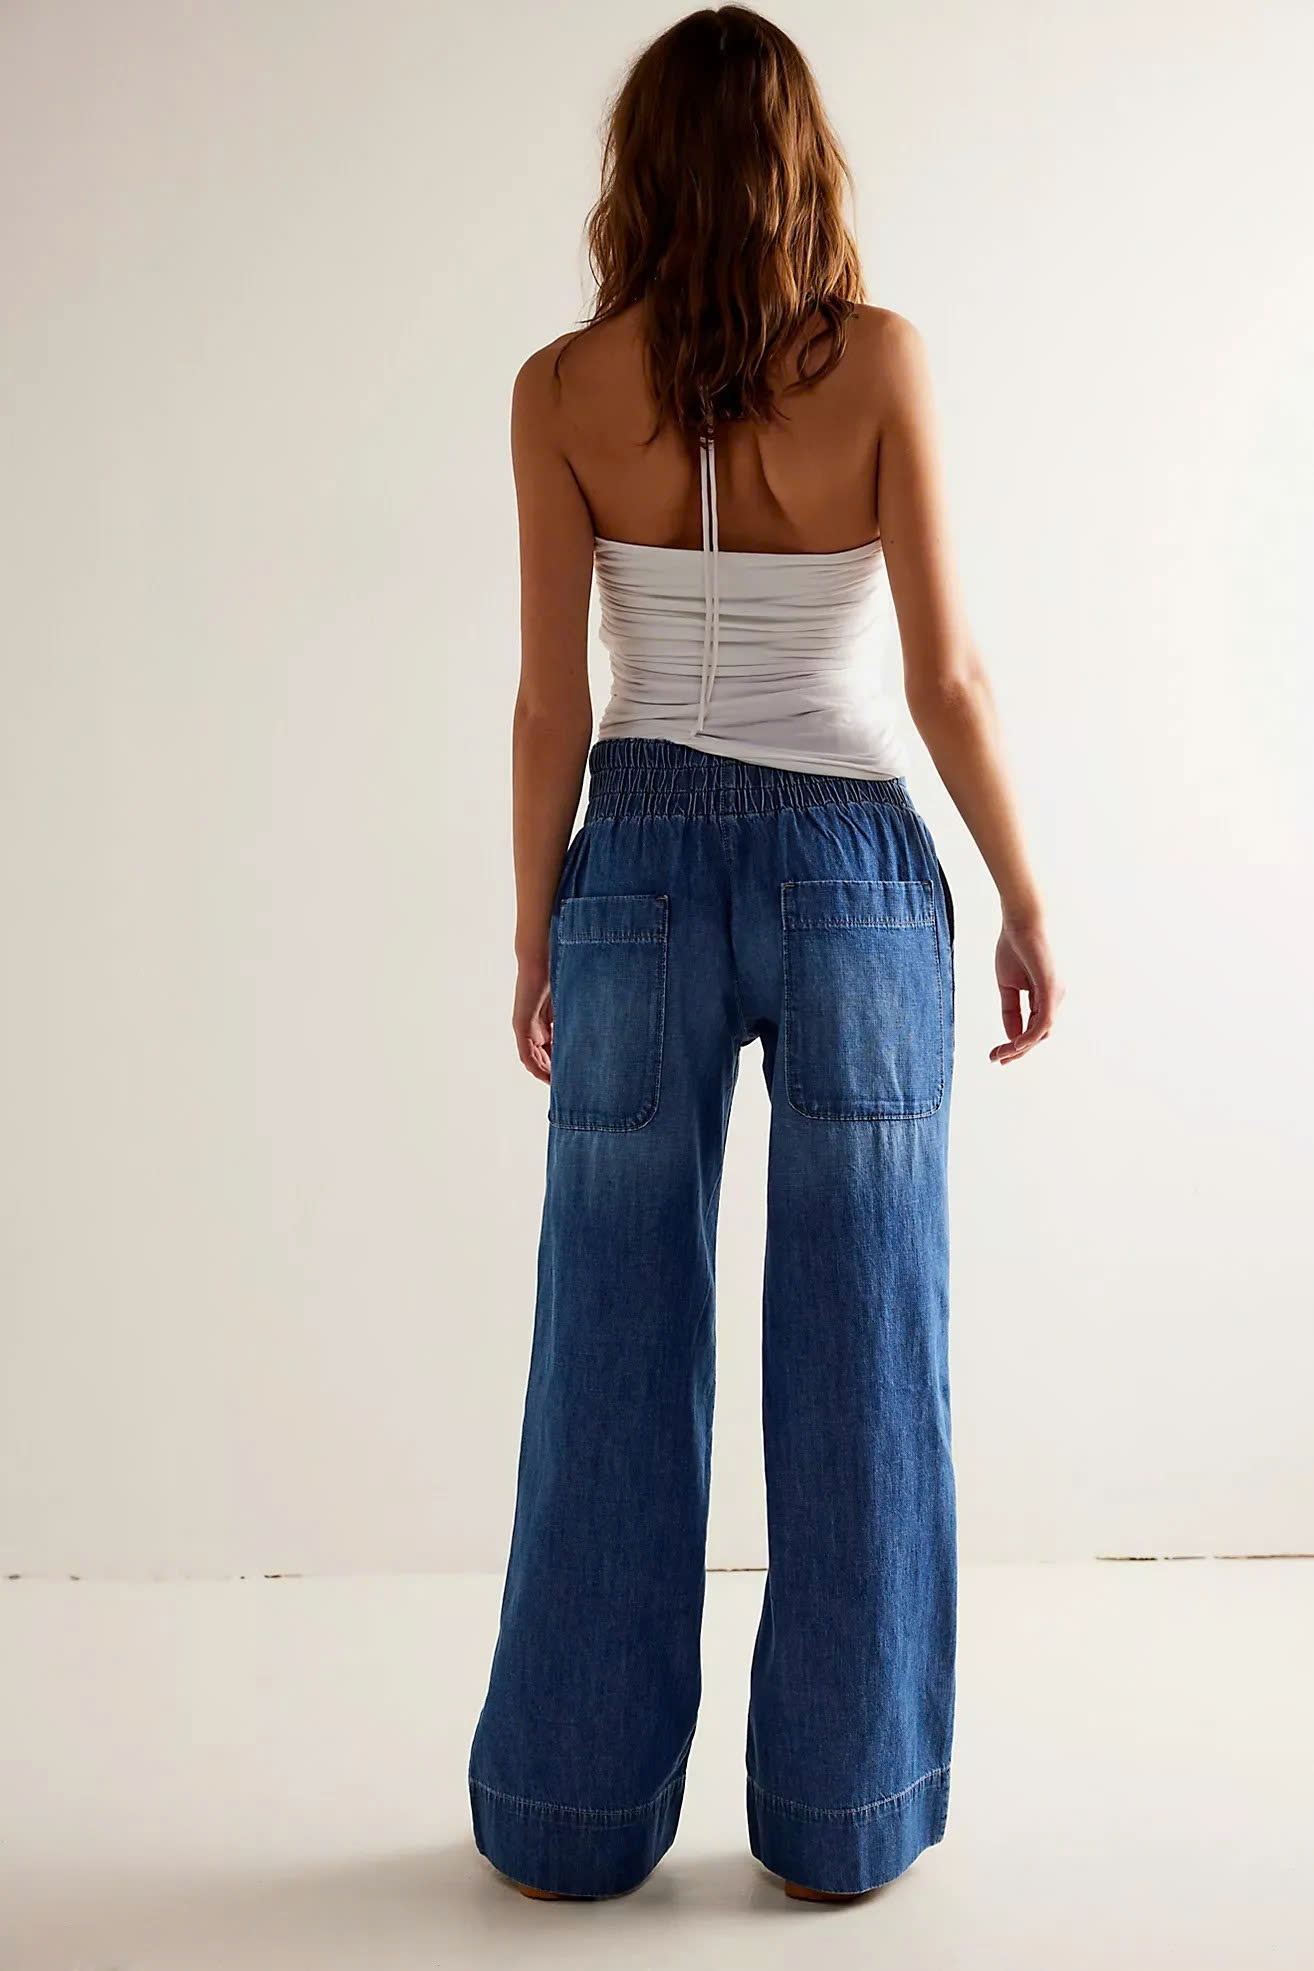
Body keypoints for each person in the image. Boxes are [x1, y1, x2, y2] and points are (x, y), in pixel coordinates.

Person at [468, 3, 1063, 1905]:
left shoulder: (561, 389)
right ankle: (839, 1822)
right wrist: (1024, 894)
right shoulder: (874, 362)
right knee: (865, 1341)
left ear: (637, 168)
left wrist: (535, 922)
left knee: (607, 1339)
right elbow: (946, 678)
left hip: (633, 867)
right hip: (851, 874)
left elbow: (550, 707)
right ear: (805, 162)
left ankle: (566, 1825)